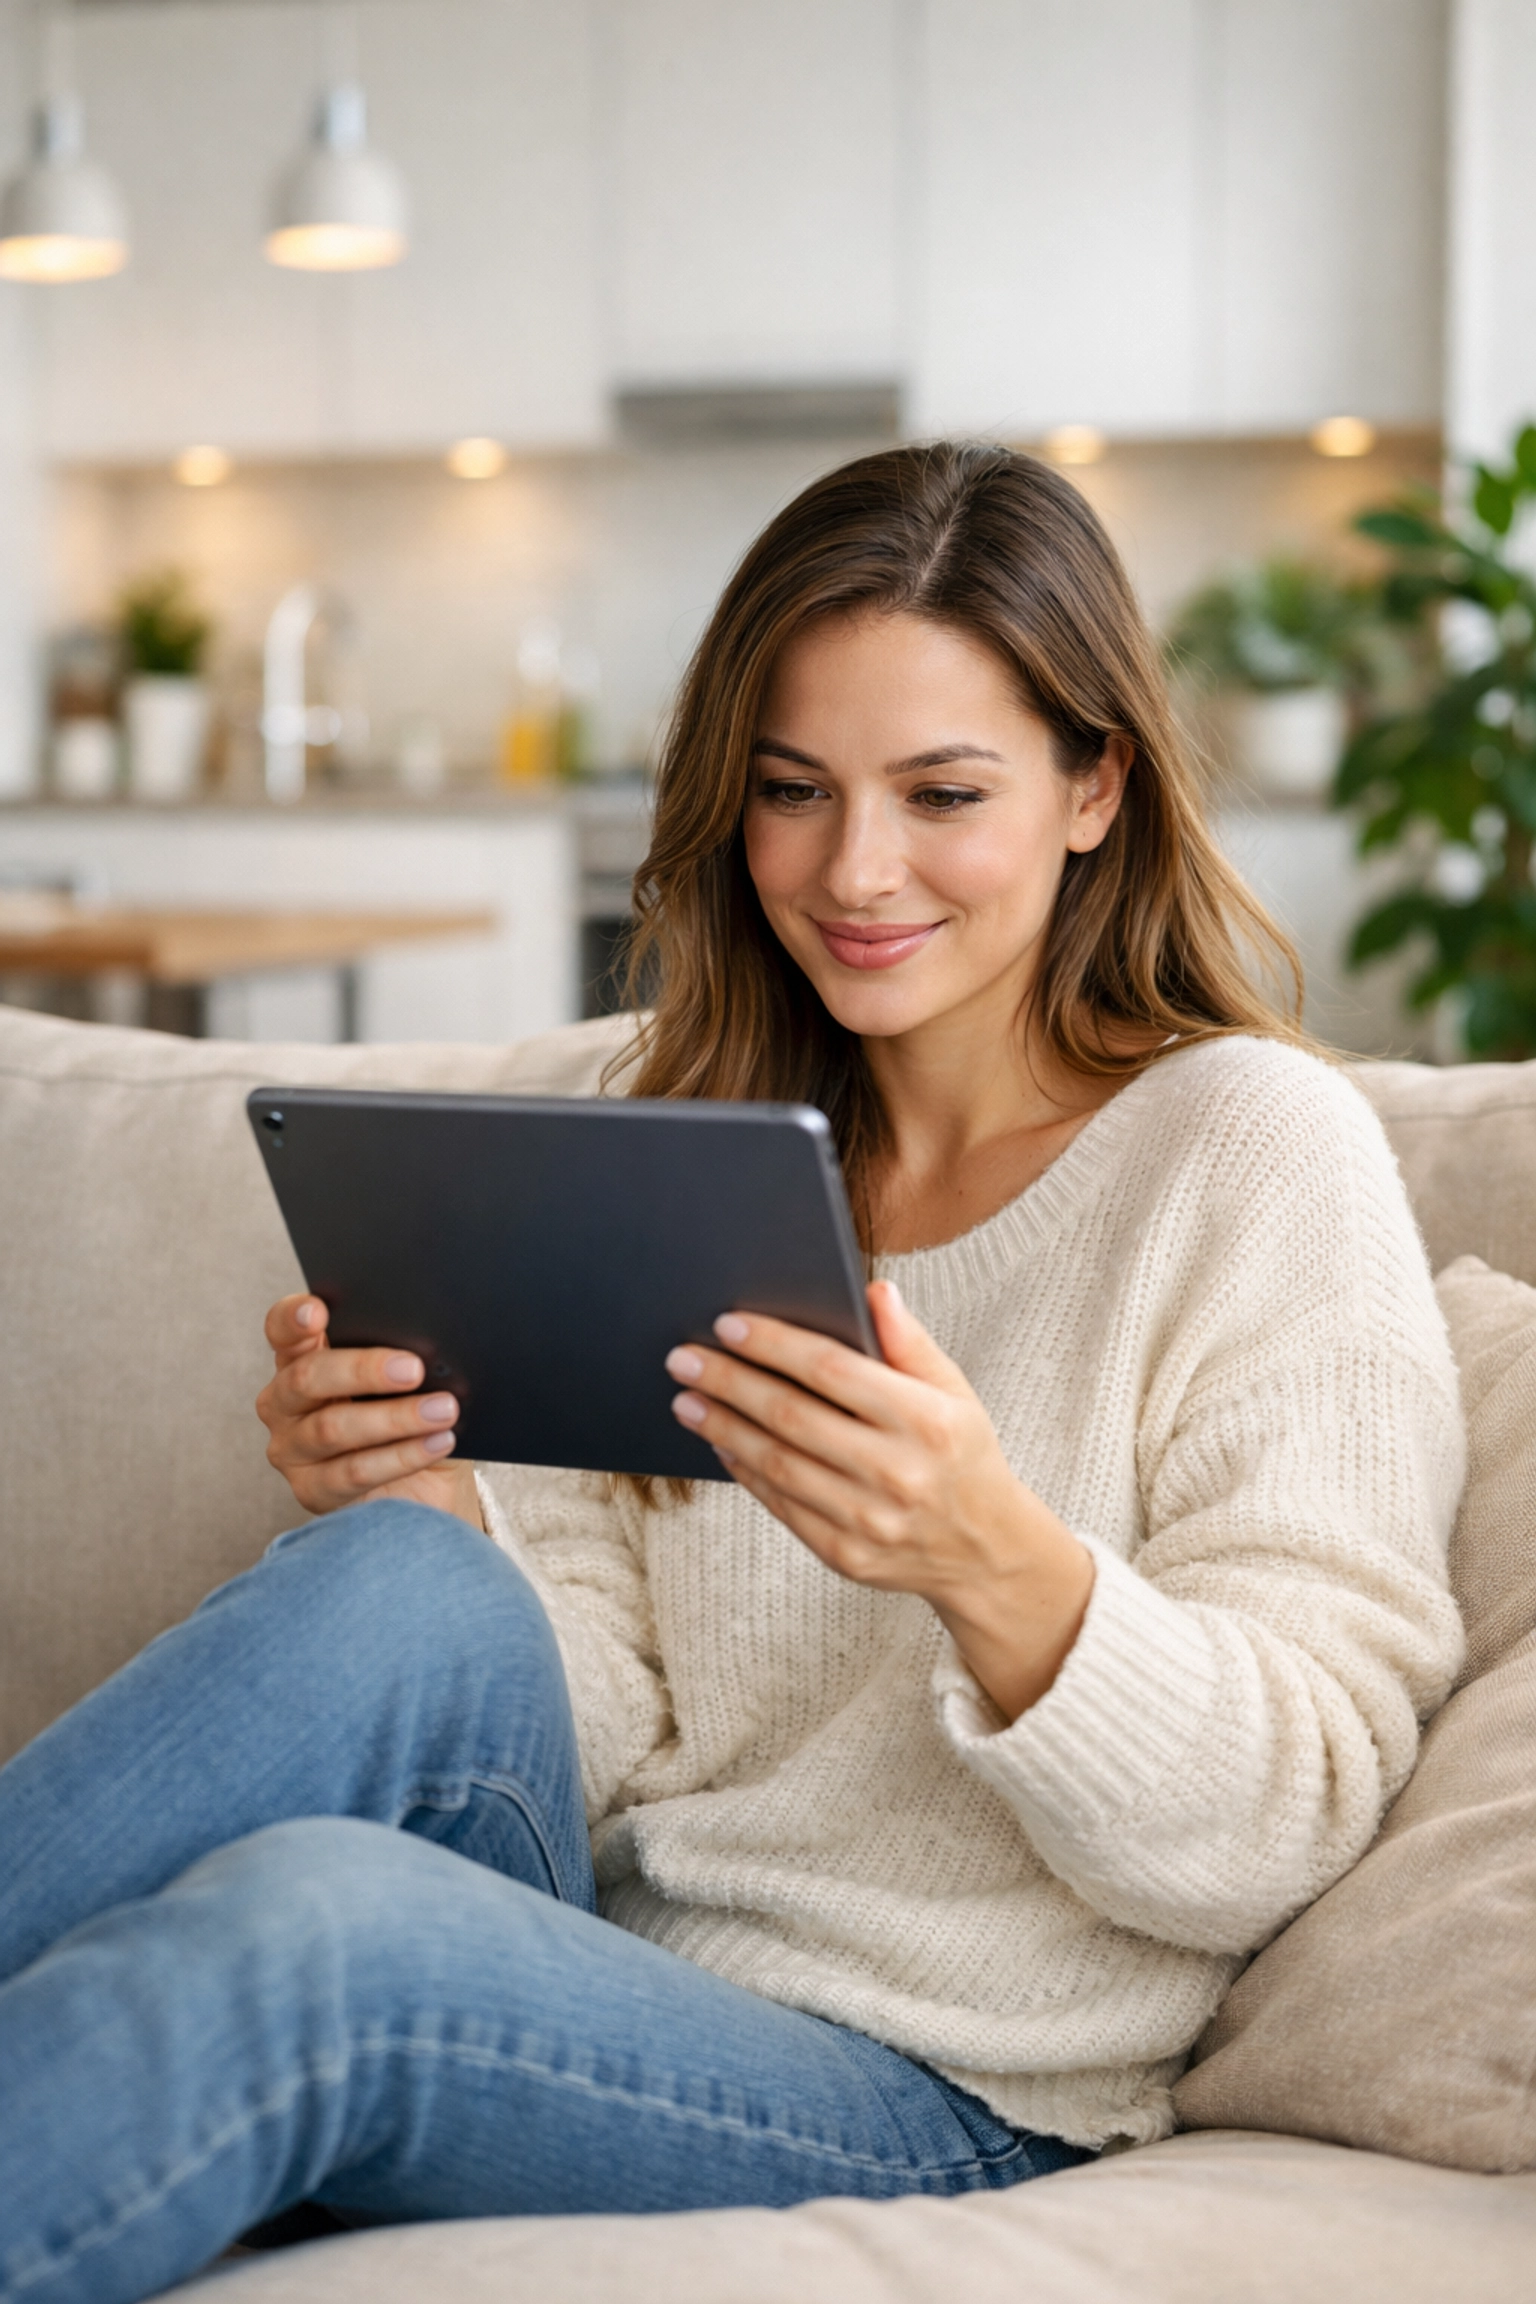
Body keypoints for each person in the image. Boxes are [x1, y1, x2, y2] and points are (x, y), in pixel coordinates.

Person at [0, 444, 1465, 2303]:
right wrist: (446, 1502)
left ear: (1096, 785)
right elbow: (616, 1759)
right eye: (793, 793)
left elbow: (1293, 1819)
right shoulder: (691, 1160)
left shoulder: (1250, 1150)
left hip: (956, 2085)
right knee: (400, 1578)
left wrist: (985, 1557)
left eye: (944, 792)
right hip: (624, 1958)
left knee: (313, 1931)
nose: (855, 871)